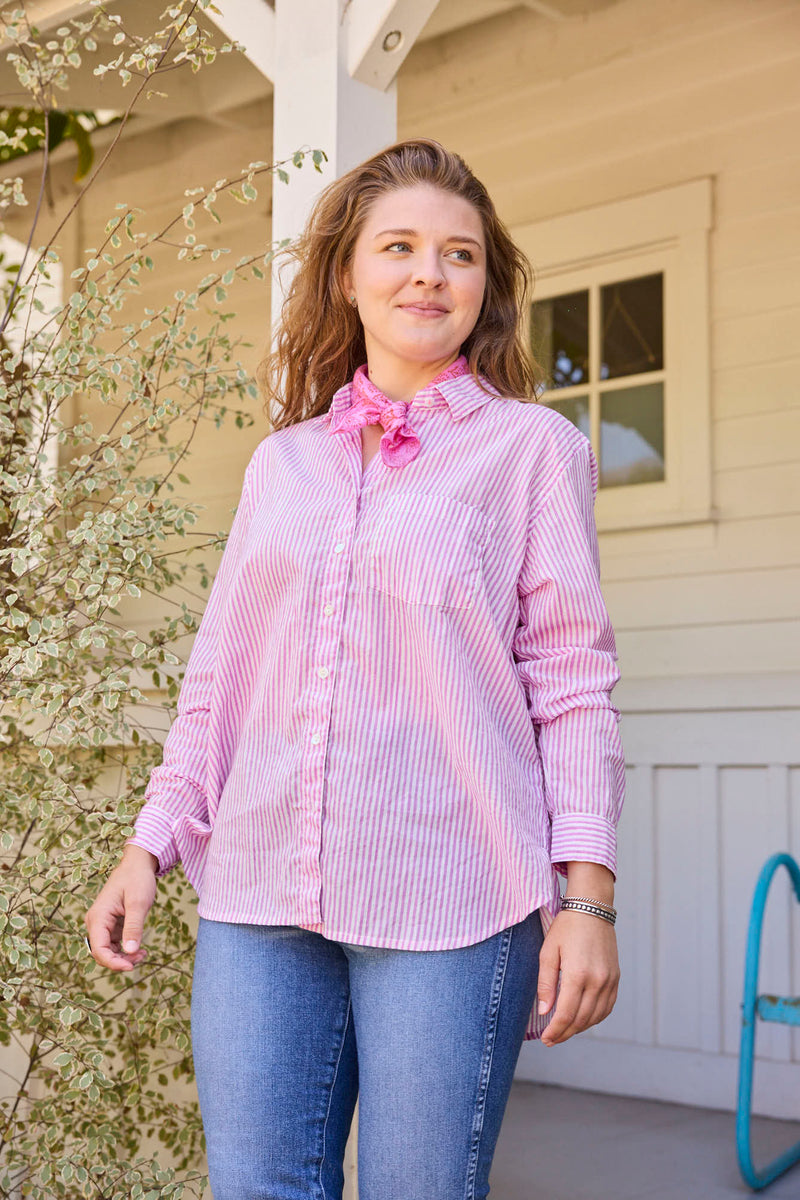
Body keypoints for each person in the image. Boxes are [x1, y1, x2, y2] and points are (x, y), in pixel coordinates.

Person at [85, 137, 625, 1200]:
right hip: (255, 892)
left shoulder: (530, 452)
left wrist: (587, 902)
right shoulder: (281, 465)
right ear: (348, 273)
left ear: (486, 285)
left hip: (452, 898)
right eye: (401, 246)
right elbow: (221, 677)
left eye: (459, 254)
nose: (430, 273)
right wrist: (150, 843)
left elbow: (570, 686)